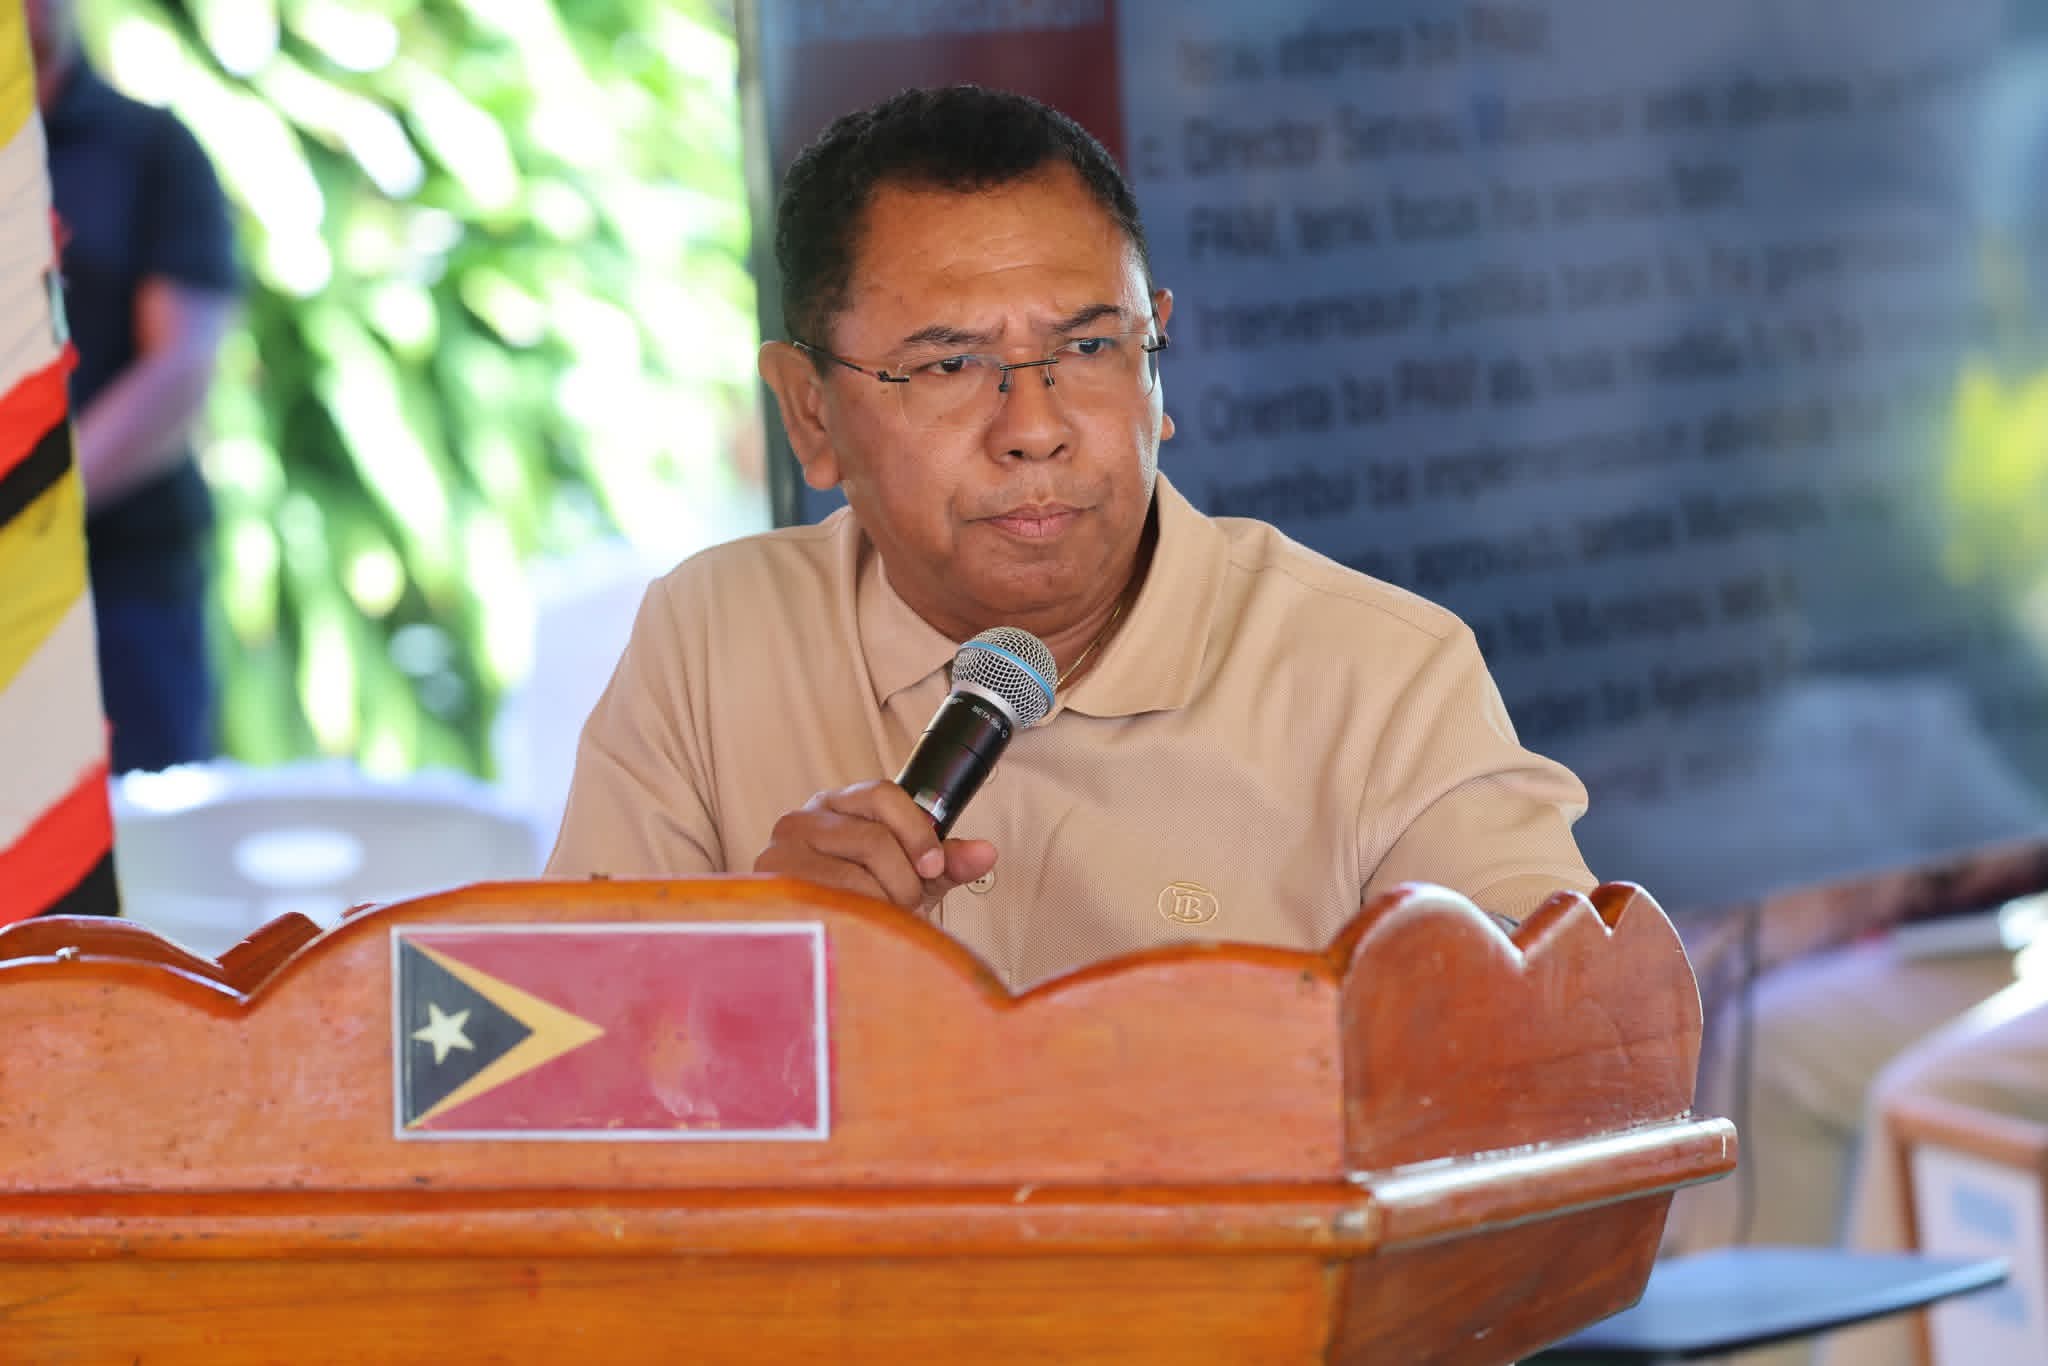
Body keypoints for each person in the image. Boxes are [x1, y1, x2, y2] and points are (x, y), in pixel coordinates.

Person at [547, 85, 1595, 990]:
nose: (1036, 428)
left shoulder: (1384, 677)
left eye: (1090, 347)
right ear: (809, 412)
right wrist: (752, 965)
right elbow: (563, 1066)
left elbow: (1575, 1045)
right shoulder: (713, 637)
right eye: (949, 365)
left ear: (1156, 359)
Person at [29, 0, 238, 774]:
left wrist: (30, 509)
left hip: (118, 594)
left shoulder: (153, 150)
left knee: (138, 838)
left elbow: (179, 372)